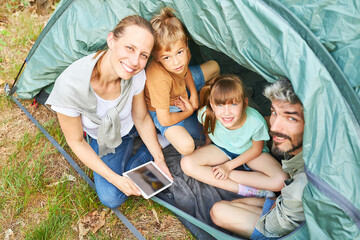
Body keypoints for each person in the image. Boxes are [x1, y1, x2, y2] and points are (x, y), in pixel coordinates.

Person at [45, 15, 172, 209]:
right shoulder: (70, 85)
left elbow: (141, 117)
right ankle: (157, 144)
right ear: (112, 40)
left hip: (133, 127)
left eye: (144, 55)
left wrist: (159, 160)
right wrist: (116, 179)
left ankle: (157, 146)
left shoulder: (135, 73)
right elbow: (76, 142)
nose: (135, 61)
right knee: (111, 197)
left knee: (186, 133)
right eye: (130, 48)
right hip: (108, 141)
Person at [210, 78, 307, 239]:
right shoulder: (303, 150)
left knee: (218, 212)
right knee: (230, 205)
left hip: (281, 227)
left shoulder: (304, 184)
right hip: (285, 203)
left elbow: (274, 227)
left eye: (291, 118)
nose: (274, 127)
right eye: (275, 112)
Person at [181, 75, 287, 198]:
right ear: (212, 105)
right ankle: (246, 190)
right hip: (222, 148)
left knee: (282, 180)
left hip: (250, 153)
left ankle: (221, 173)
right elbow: (208, 130)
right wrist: (206, 144)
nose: (227, 112)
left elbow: (256, 149)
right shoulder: (205, 114)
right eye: (220, 105)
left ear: (245, 103)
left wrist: (227, 167)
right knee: (187, 163)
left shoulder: (256, 121)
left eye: (234, 104)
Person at [144, 7, 220, 155]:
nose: (176, 62)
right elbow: (165, 119)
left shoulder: (181, 53)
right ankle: (161, 135)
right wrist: (190, 110)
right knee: (187, 146)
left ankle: (210, 102)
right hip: (165, 109)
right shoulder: (158, 79)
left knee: (214, 67)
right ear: (157, 57)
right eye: (167, 57)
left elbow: (185, 71)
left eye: (180, 52)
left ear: (185, 44)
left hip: (181, 89)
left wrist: (193, 94)